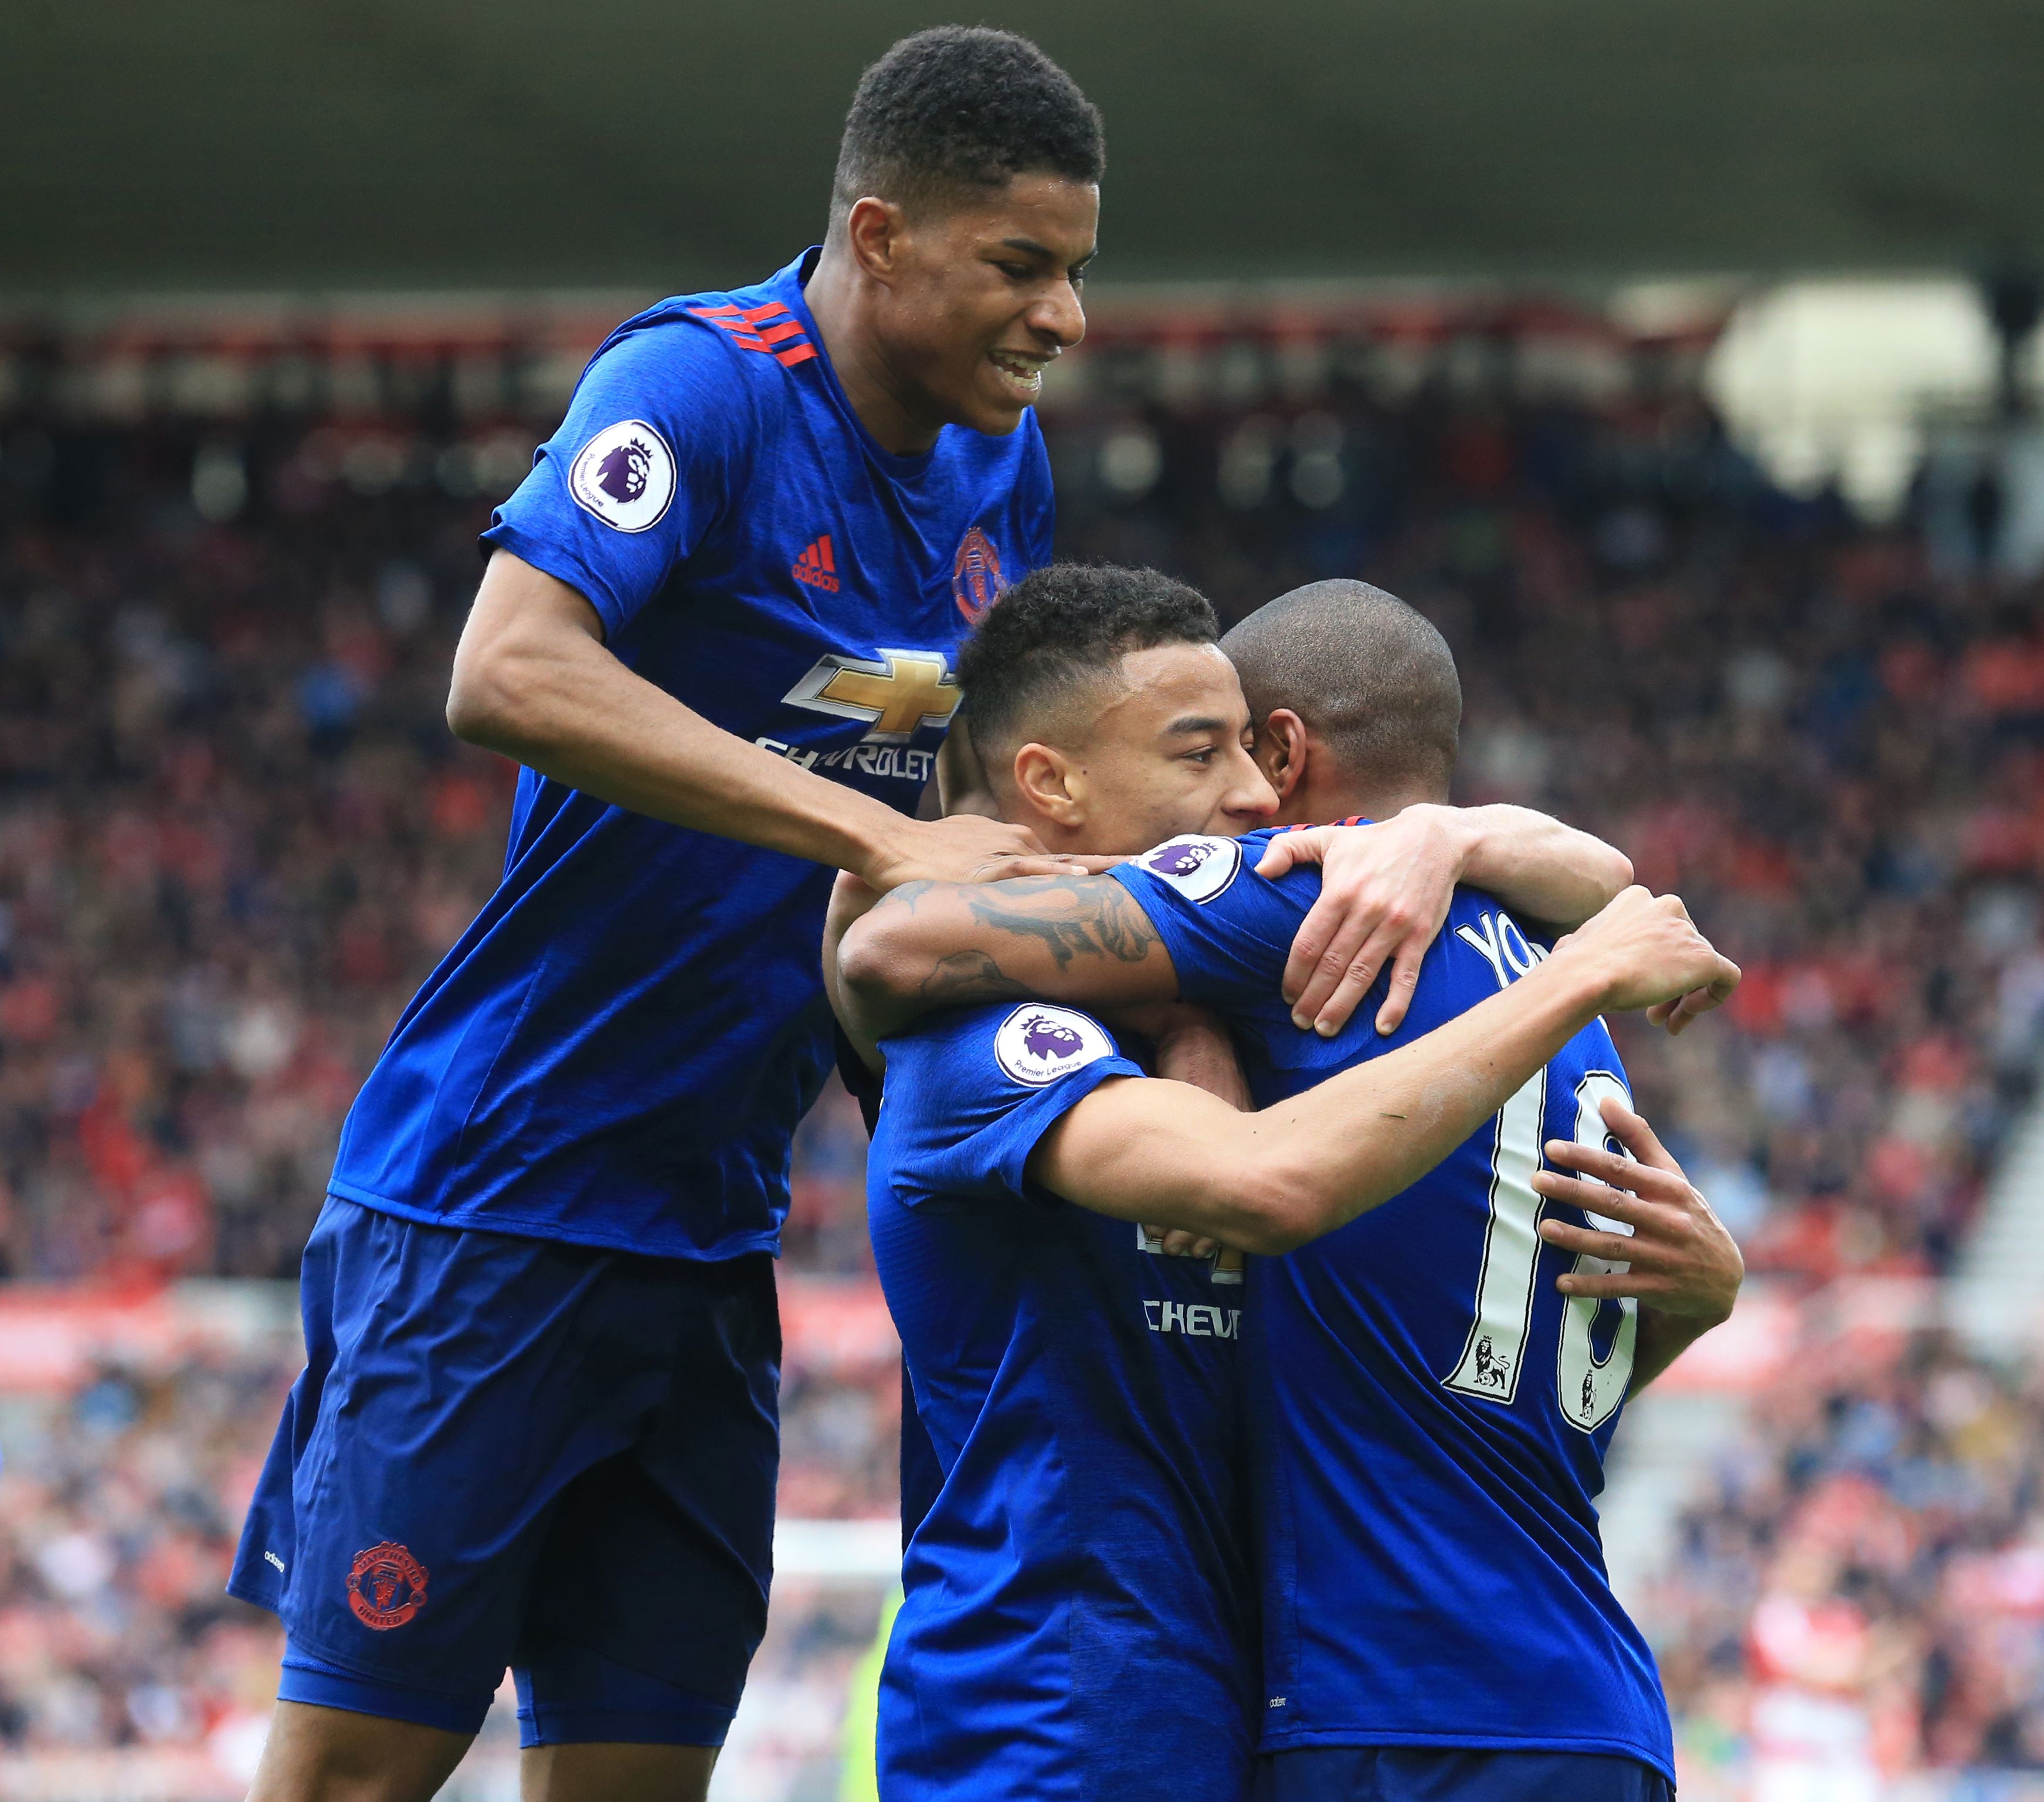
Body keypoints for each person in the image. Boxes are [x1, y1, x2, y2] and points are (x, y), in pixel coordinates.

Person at [218, 35, 1437, 1802]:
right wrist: (883, 842)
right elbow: (507, 670)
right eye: (1023, 265)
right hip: (494, 1198)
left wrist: (1169, 1030)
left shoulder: (990, 480)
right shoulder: (698, 387)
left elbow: (1012, 807)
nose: (1067, 315)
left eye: (1077, 267)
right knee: (353, 1772)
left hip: (710, 1235)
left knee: (639, 1778)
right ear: (880, 236)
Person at [824, 563, 1737, 1801]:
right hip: (1064, 1726)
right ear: (1049, 783)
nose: (1246, 797)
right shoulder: (994, 1048)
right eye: (1201, 754)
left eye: (1249, 753)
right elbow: (882, 948)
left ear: (1295, 751)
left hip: (1354, 1719)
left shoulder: (1296, 936)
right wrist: (1497, 883)